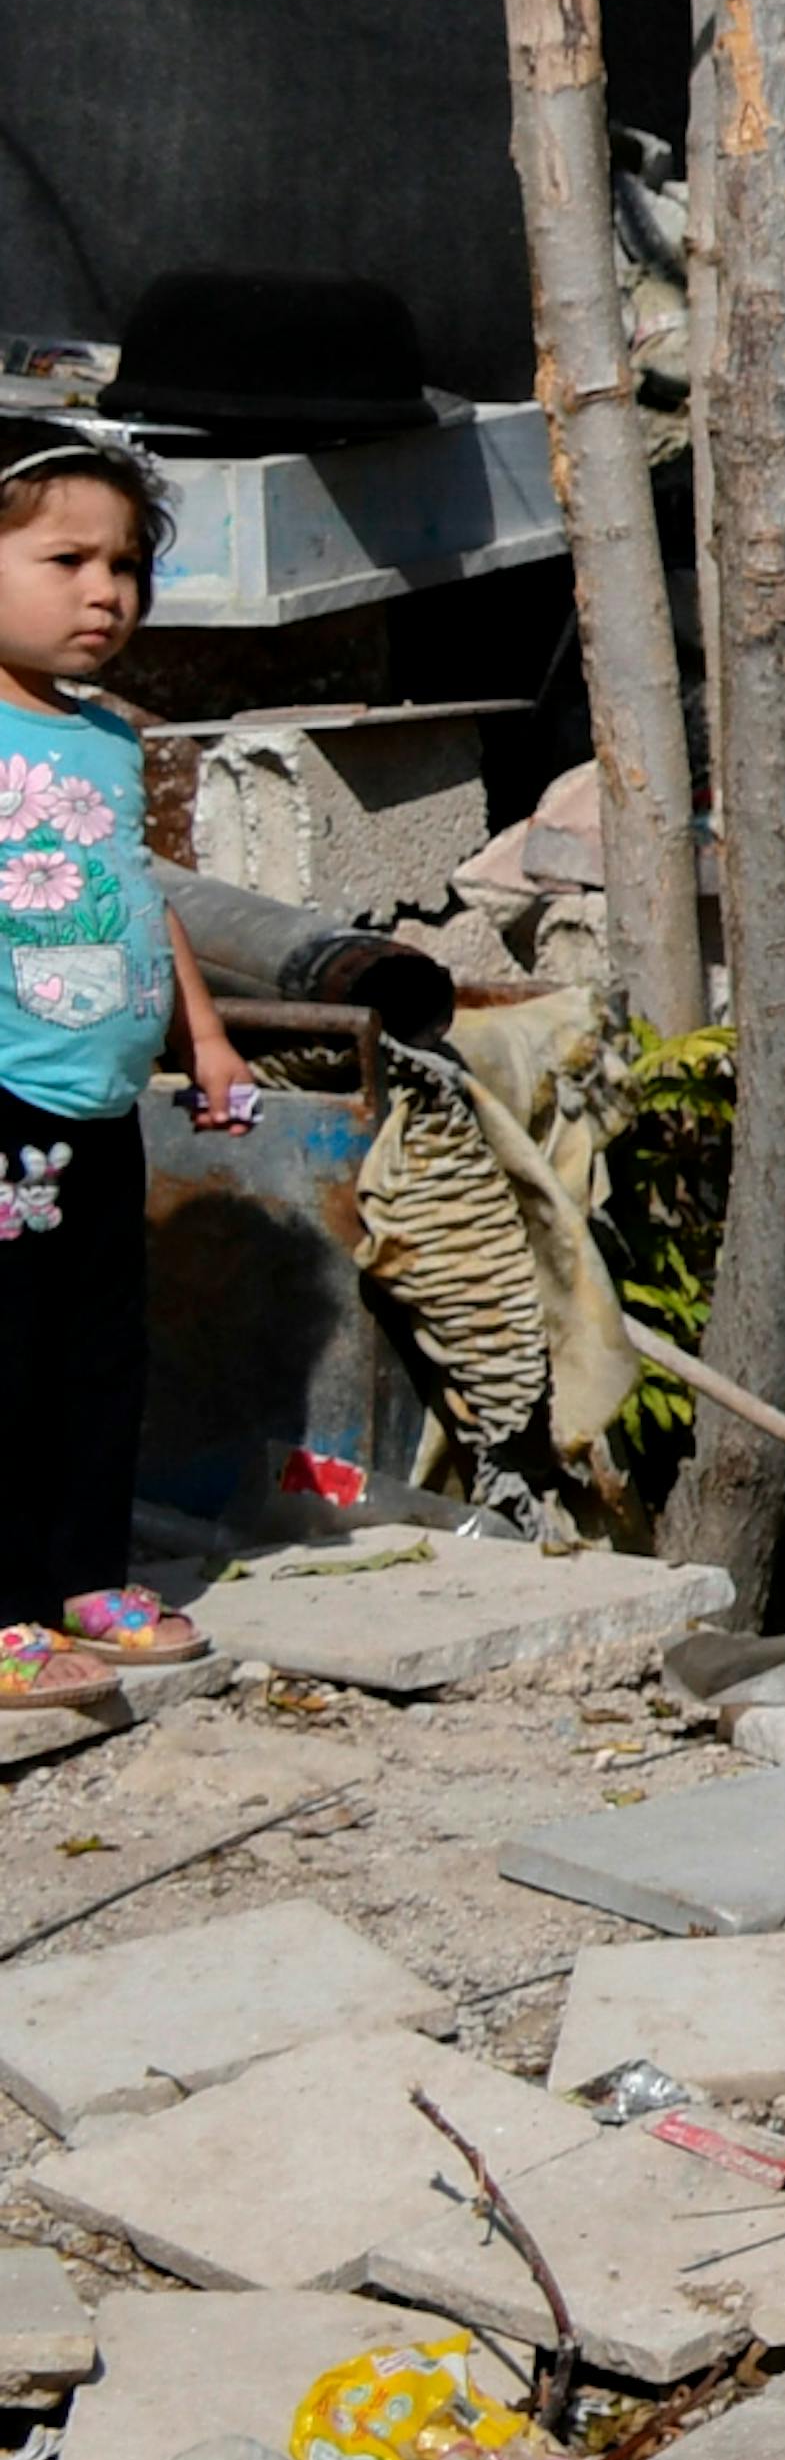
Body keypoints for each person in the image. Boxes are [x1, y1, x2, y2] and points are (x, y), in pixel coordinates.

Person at [0, 418, 248, 1715]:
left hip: (99, 1104)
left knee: (103, 1348)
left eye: (129, 564)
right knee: (9, 1349)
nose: (106, 592)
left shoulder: (103, 734)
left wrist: (202, 1039)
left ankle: (86, 1579)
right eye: (66, 560)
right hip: (8, 1103)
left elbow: (139, 897)